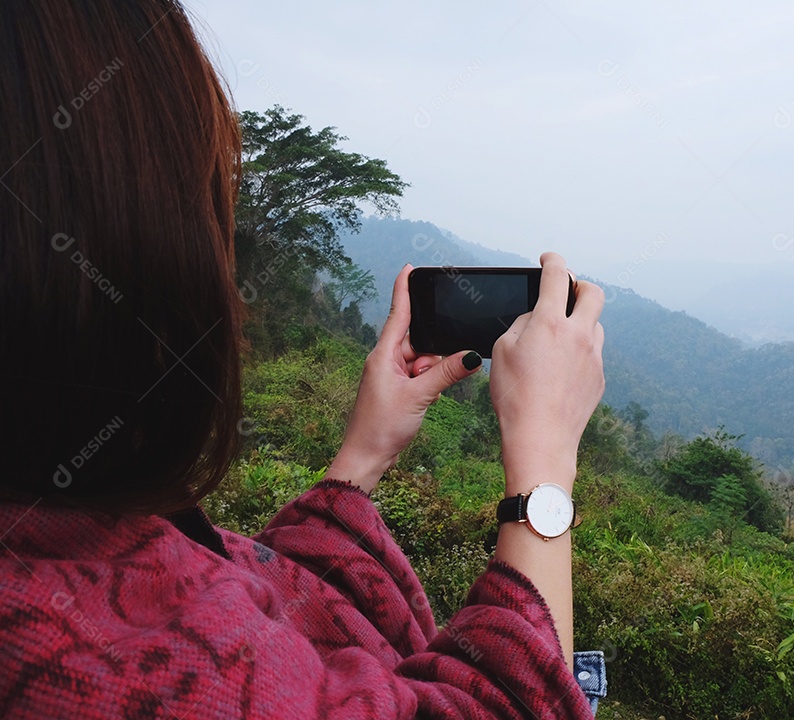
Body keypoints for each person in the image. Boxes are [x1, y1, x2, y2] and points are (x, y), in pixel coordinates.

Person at [0, 1, 607, 717]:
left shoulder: (52, 538)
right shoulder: (78, 663)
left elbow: (266, 601)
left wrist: (363, 455)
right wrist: (542, 466)